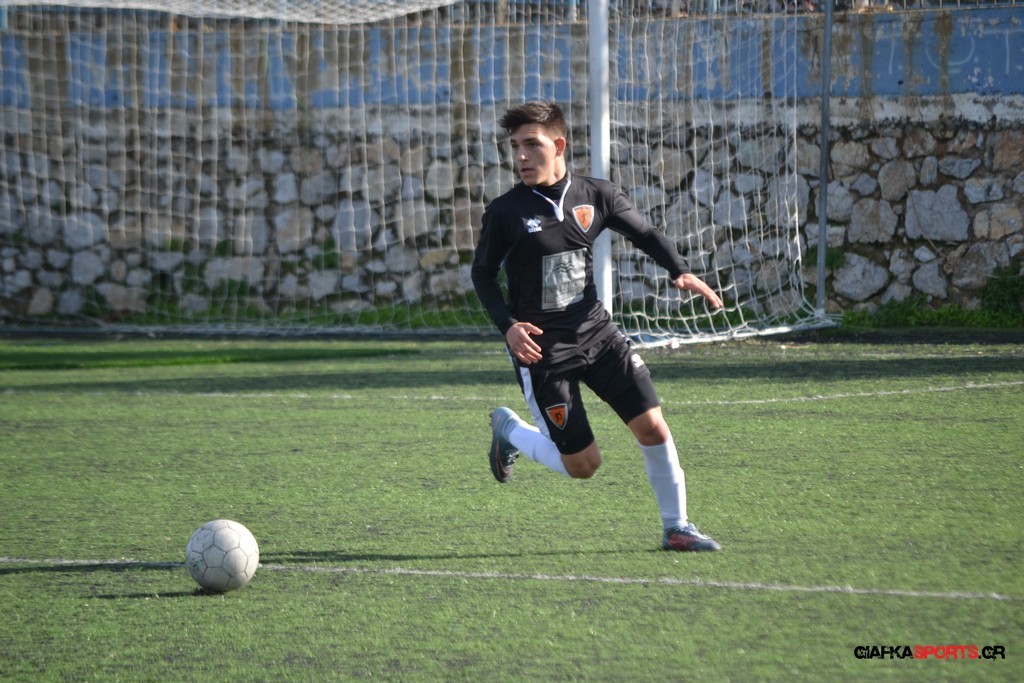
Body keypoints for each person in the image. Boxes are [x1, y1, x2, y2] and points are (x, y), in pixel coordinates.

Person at [471, 100, 723, 552]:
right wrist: (508, 325)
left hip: (599, 334)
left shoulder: (597, 195)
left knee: (653, 427)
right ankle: (510, 431)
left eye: (532, 144)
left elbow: (645, 234)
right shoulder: (505, 212)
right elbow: (483, 275)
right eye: (515, 146)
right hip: (544, 351)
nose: (521, 156)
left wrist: (679, 270)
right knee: (584, 466)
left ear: (559, 145)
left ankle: (677, 527)